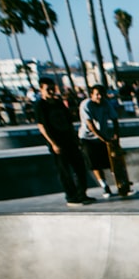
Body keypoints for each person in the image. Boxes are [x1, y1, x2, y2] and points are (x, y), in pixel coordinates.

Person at [34, 77, 94, 207]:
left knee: (79, 167)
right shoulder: (40, 105)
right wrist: (53, 143)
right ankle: (71, 197)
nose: (51, 92)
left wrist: (75, 138)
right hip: (57, 143)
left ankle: (82, 194)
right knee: (65, 171)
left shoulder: (58, 103)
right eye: (47, 89)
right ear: (41, 90)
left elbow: (69, 122)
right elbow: (42, 127)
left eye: (52, 89)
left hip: (69, 140)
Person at [78, 84, 125, 197]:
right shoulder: (86, 105)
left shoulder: (106, 104)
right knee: (95, 163)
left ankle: (121, 184)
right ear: (91, 95)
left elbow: (115, 119)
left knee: (111, 161)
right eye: (97, 95)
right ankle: (105, 187)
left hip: (103, 136)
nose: (99, 97)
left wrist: (116, 135)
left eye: (101, 95)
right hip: (87, 138)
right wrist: (105, 140)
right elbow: (91, 125)